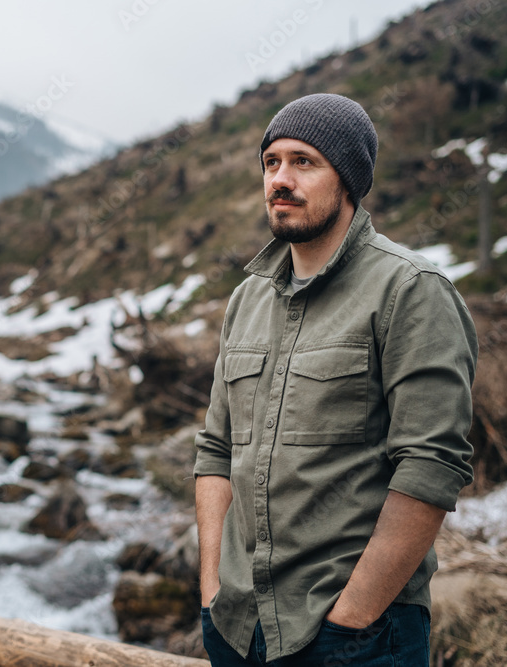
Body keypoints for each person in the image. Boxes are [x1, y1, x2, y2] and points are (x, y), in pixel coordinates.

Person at [193, 93, 478, 666]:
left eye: (304, 162)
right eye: (271, 162)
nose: (281, 178)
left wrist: (351, 618)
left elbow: (431, 465)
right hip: (238, 627)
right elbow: (216, 451)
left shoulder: (410, 290)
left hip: (357, 639)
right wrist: (211, 593)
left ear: (347, 179)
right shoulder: (246, 299)